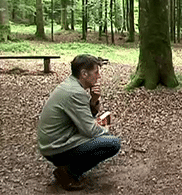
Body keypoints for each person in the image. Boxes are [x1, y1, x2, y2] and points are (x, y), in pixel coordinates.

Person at [37, 54, 121, 191]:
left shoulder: (71, 85)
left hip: (55, 141)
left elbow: (83, 119)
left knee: (103, 137)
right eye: (96, 72)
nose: (99, 76)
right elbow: (90, 131)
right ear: (84, 74)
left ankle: (68, 169)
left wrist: (93, 100)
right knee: (112, 143)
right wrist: (104, 130)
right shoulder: (75, 93)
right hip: (55, 147)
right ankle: (68, 173)